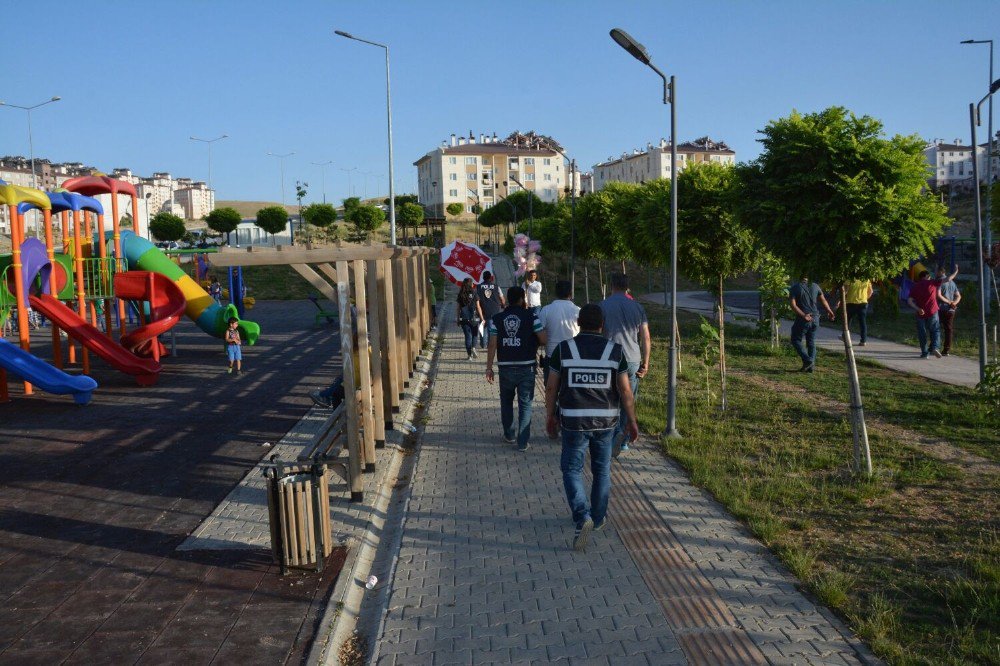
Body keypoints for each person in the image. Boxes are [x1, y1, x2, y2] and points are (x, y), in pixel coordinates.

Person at [546, 304, 639, 551]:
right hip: (606, 422)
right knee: (602, 470)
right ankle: (597, 519)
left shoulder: (563, 349)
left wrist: (549, 416)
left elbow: (551, 387)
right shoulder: (615, 351)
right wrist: (631, 419)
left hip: (573, 421)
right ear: (602, 324)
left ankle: (581, 515)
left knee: (572, 469)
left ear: (578, 322)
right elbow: (625, 390)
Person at [485, 286, 546, 452]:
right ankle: (523, 441)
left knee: (506, 402)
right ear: (522, 299)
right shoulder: (532, 316)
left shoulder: (497, 319)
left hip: (505, 367)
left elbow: (492, 344)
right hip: (527, 367)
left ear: (508, 299)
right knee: (525, 404)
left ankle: (509, 435)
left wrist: (489, 368)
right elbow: (542, 338)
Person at [599, 273, 650, 456]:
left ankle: (610, 434)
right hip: (632, 359)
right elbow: (645, 337)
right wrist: (646, 362)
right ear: (627, 287)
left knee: (610, 398)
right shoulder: (637, 307)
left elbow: (597, 333)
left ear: (611, 285)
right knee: (628, 399)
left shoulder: (602, 306)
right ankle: (624, 438)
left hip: (609, 359)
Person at [907, 265, 959, 358]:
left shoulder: (915, 286)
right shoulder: (932, 283)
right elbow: (948, 279)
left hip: (920, 313)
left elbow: (909, 301)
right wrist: (956, 271)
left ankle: (924, 353)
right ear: (927, 277)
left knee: (922, 333)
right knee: (935, 330)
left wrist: (917, 308)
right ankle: (935, 347)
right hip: (933, 311)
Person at [789, 274, 836, 372]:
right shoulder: (815, 286)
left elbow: (793, 305)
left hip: (803, 319)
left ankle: (808, 360)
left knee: (795, 340)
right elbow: (823, 300)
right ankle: (810, 367)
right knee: (811, 342)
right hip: (815, 318)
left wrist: (803, 315)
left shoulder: (795, 288)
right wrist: (830, 311)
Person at [538, 280, 579, 382]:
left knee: (550, 388)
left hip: (552, 355)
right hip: (573, 356)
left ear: (555, 293)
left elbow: (539, 332)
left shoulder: (546, 310)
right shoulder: (578, 310)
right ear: (570, 293)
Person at [476, 271, 506, 350]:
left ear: (483, 277)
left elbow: (476, 299)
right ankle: (489, 345)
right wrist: (503, 305)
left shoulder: (478, 287)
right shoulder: (496, 286)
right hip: (494, 310)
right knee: (491, 328)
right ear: (491, 278)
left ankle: (483, 343)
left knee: (482, 326)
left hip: (482, 310)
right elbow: (502, 299)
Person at [457, 277, 484, 360]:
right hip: (474, 318)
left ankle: (469, 355)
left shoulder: (461, 294)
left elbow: (458, 308)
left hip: (464, 318)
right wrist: (482, 318)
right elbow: (478, 307)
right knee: (475, 335)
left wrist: (458, 318)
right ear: (471, 284)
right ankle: (473, 347)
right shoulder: (474, 292)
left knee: (468, 336)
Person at [936, 267, 962, 356]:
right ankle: (946, 350)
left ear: (940, 272)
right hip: (951, 310)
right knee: (948, 329)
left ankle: (935, 347)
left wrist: (949, 302)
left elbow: (938, 296)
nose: (935, 273)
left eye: (936, 271)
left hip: (940, 309)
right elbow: (959, 296)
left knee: (936, 328)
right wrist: (953, 303)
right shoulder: (953, 283)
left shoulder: (939, 281)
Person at [842, 279, 873, 346]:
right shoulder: (866, 279)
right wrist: (864, 298)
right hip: (863, 303)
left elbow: (845, 291)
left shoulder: (850, 279)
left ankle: (845, 337)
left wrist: (840, 300)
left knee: (847, 321)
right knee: (862, 322)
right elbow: (871, 292)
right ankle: (863, 340)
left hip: (851, 302)